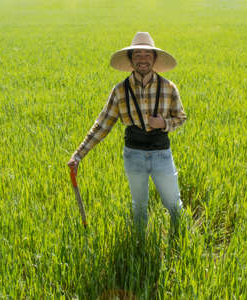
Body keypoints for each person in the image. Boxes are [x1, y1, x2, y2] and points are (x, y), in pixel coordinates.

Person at [68, 32, 186, 236]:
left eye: (147, 55)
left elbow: (181, 117)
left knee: (173, 203)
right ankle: (140, 244)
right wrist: (78, 155)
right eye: (137, 55)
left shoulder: (168, 87)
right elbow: (102, 125)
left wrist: (164, 123)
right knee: (139, 206)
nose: (143, 59)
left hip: (161, 154)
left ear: (155, 59)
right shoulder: (120, 90)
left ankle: (182, 242)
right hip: (134, 155)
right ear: (131, 60)